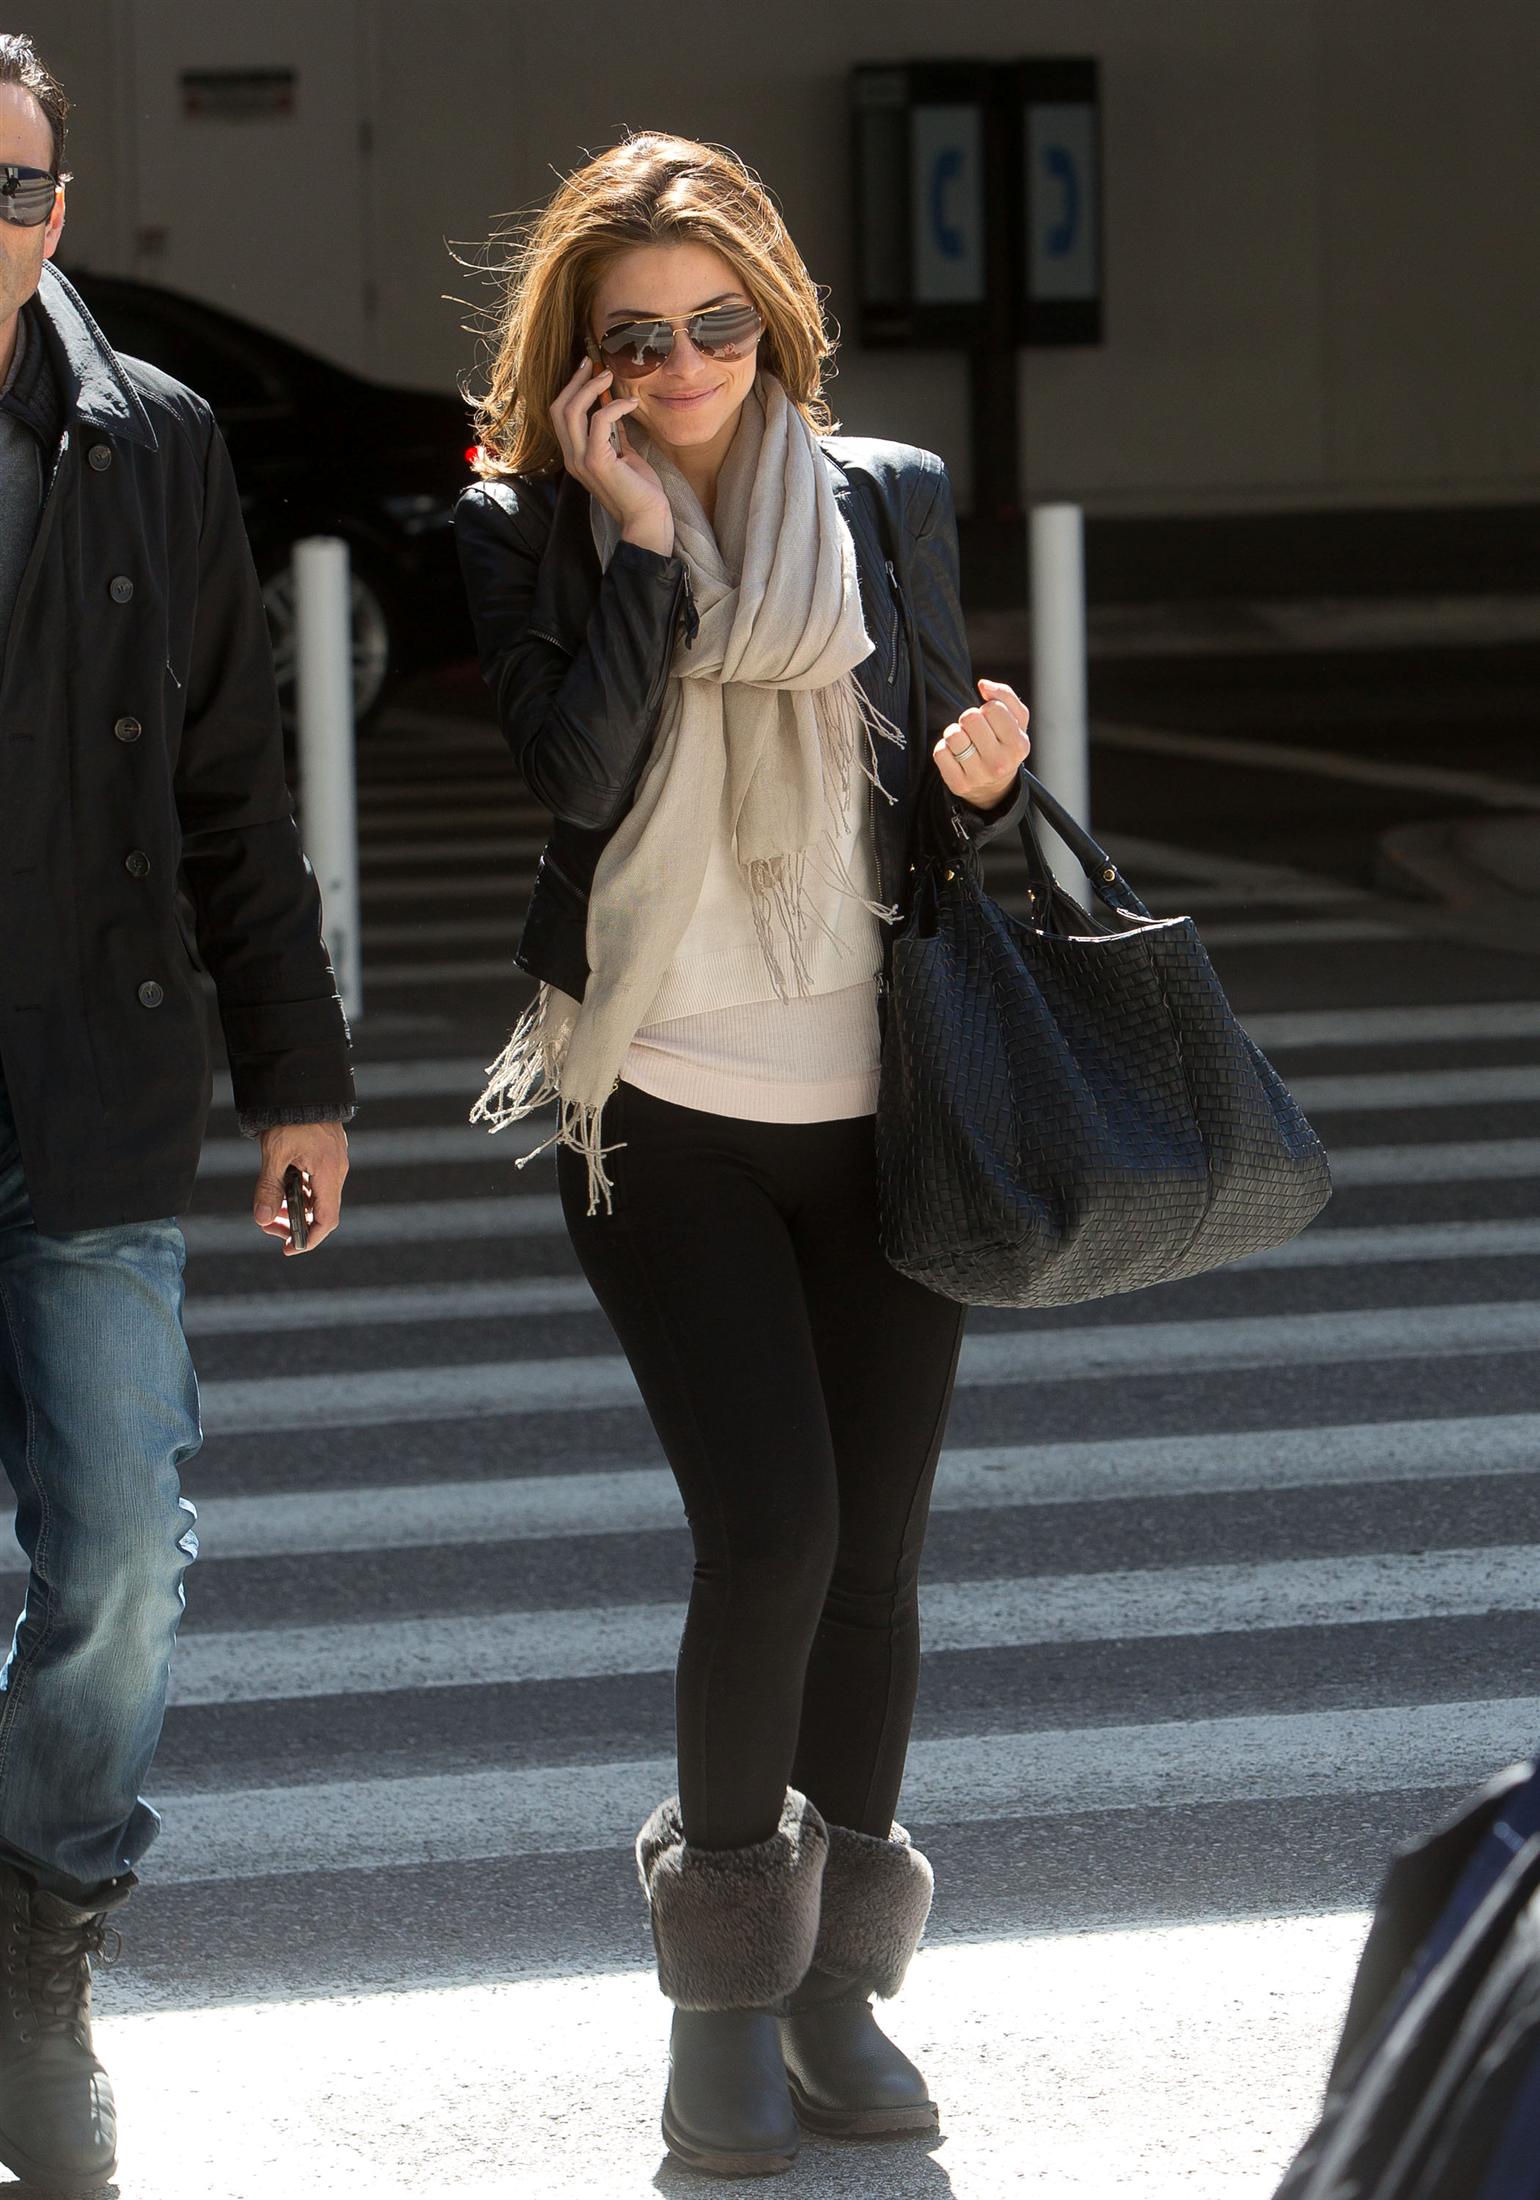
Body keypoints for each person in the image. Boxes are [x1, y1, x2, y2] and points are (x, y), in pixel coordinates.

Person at [456, 130, 1031, 2179]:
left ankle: (828, 1987)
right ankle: (717, 2002)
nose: (688, 360)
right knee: (768, 1534)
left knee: (873, 1559)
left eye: (718, 323)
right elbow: (580, 776)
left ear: (770, 321)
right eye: (640, 337)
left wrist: (977, 768)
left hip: (887, 1107)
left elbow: (928, 824)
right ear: (585, 360)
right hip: (663, 1108)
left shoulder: (883, 502)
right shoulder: (523, 528)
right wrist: (629, 537)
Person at [0, 34, 354, 2195]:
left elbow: (230, 785)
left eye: (25, 186)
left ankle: (43, 1946)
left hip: (97, 1080)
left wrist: (297, 1067)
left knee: (125, 1555)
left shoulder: (153, 440)